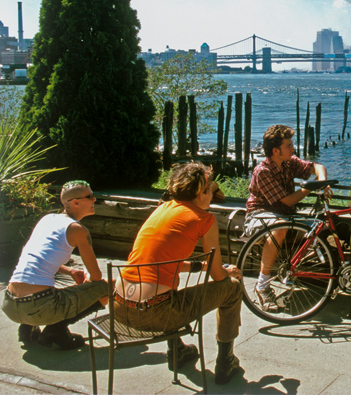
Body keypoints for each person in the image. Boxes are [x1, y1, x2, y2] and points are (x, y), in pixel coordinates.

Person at [117, 162, 244, 385]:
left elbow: (163, 263)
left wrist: (201, 266)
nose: (212, 195)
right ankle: (226, 362)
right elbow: (218, 276)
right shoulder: (204, 219)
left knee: (169, 290)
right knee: (232, 288)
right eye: (210, 190)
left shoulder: (163, 208)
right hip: (156, 314)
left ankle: (177, 350)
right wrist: (226, 271)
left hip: (120, 307)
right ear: (201, 193)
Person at [3, 180, 108, 350]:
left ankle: (27, 327)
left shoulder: (48, 219)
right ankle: (56, 330)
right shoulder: (78, 230)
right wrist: (88, 277)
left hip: (10, 303)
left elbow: (34, 255)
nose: (94, 200)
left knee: (47, 288)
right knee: (106, 287)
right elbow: (96, 277)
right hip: (39, 307)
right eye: (90, 197)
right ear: (75, 202)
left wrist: (70, 271)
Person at [245, 124, 329, 310]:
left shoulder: (289, 163)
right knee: (280, 226)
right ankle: (262, 286)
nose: (293, 148)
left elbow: (317, 166)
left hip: (284, 215)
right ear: (276, 151)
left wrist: (321, 181)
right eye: (289, 145)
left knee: (320, 224)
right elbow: (287, 202)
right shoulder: (263, 171)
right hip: (259, 215)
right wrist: (310, 188)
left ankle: (303, 273)